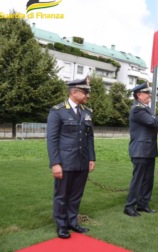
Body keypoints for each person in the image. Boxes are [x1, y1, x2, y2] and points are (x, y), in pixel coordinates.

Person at [46, 76, 96, 239]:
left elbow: (89, 138)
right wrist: (55, 163)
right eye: (85, 92)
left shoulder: (87, 112)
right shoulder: (58, 111)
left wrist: (91, 158)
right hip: (65, 162)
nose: (87, 96)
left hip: (82, 161)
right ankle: (61, 225)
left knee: (76, 195)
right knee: (61, 195)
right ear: (74, 92)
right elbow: (52, 139)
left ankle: (72, 222)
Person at [124, 83, 158, 217]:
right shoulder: (137, 109)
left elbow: (155, 121)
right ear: (139, 95)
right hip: (140, 151)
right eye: (146, 93)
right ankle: (129, 206)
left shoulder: (146, 109)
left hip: (148, 150)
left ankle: (142, 204)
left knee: (148, 179)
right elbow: (154, 123)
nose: (149, 95)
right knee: (138, 179)